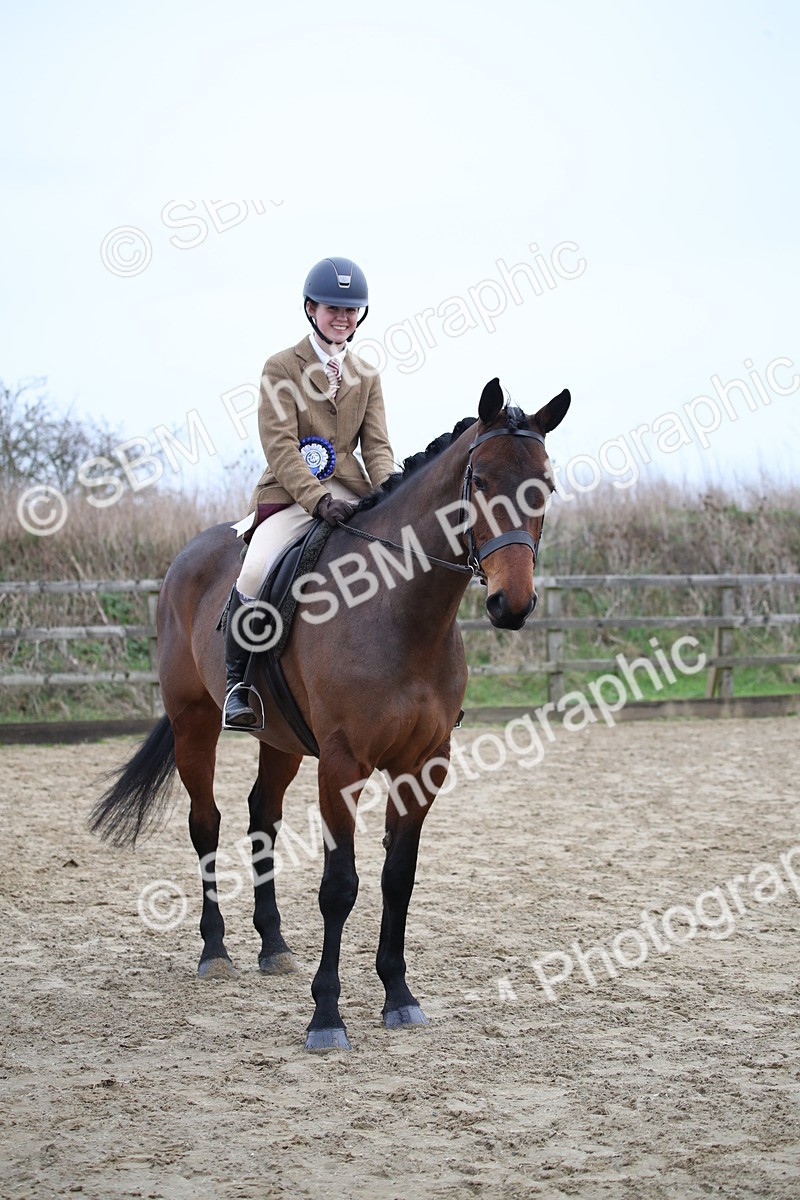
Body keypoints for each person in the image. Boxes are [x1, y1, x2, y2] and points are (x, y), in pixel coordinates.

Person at [223, 257, 396, 728]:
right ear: (310, 309)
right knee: (256, 571)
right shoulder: (281, 366)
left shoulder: (367, 375)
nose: (342, 317)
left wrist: (393, 494)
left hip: (353, 490)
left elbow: (377, 447)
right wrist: (318, 501)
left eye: (351, 310)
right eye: (333, 308)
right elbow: (279, 445)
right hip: (294, 493)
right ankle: (237, 685)